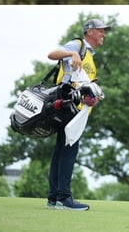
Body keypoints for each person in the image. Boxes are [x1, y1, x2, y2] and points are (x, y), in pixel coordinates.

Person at [46, 18, 111, 211]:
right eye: (101, 31)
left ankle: (53, 197)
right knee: (69, 148)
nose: (104, 34)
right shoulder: (78, 45)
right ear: (89, 31)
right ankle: (64, 198)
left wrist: (92, 96)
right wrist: (72, 52)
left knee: (61, 149)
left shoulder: (89, 55)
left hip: (75, 106)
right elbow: (52, 54)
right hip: (68, 103)